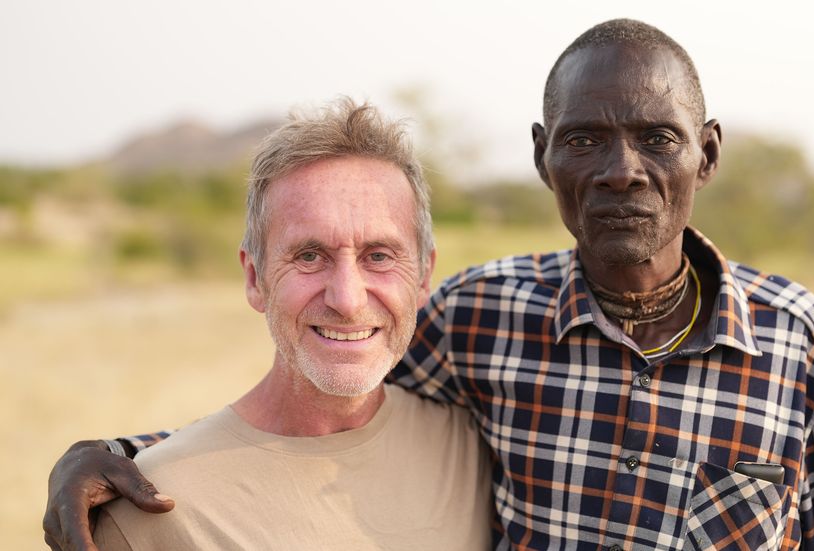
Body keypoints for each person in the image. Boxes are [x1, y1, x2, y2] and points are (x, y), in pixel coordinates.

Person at [44, 19, 814, 550]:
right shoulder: (484, 316)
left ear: (706, 154)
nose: (622, 170)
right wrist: (122, 455)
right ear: (543, 156)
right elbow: (329, 380)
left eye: (657, 138)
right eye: (585, 139)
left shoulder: (800, 342)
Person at [55, 98, 493, 550]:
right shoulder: (150, 510)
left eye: (378, 256)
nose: (347, 300)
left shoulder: (473, 445)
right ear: (254, 279)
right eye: (310, 256)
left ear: (423, 277)